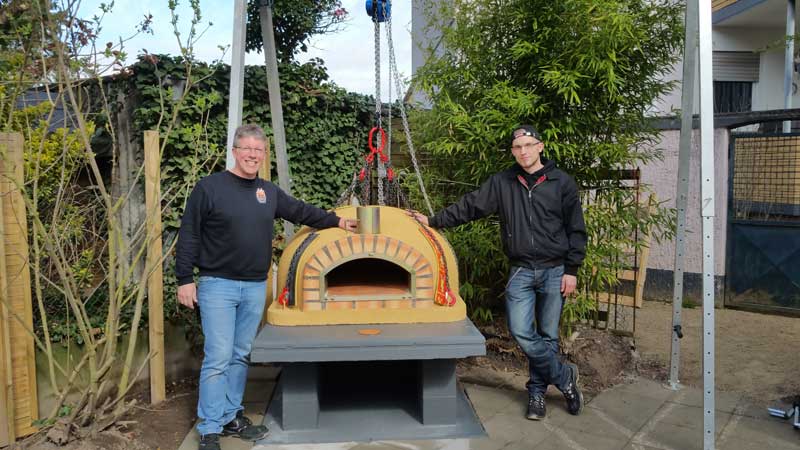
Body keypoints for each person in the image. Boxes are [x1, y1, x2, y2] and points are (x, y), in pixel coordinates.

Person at [176, 124, 357, 450]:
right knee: (218, 356)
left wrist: (337, 221)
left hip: (255, 286)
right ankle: (210, 429)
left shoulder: (267, 192)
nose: (252, 155)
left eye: (258, 150)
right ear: (234, 151)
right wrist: (184, 280)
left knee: (241, 354)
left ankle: (232, 416)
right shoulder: (209, 188)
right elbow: (188, 234)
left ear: (263, 155)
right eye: (246, 149)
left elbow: (301, 211)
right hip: (217, 285)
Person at [410, 125, 587, 420]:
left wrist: (572, 270)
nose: (523, 152)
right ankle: (564, 376)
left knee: (547, 336)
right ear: (513, 152)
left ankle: (536, 394)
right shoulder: (503, 182)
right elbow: (471, 206)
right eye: (518, 148)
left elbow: (576, 229)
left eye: (529, 145)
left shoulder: (561, 183)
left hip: (555, 270)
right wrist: (433, 220)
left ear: (540, 147)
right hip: (521, 270)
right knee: (520, 331)